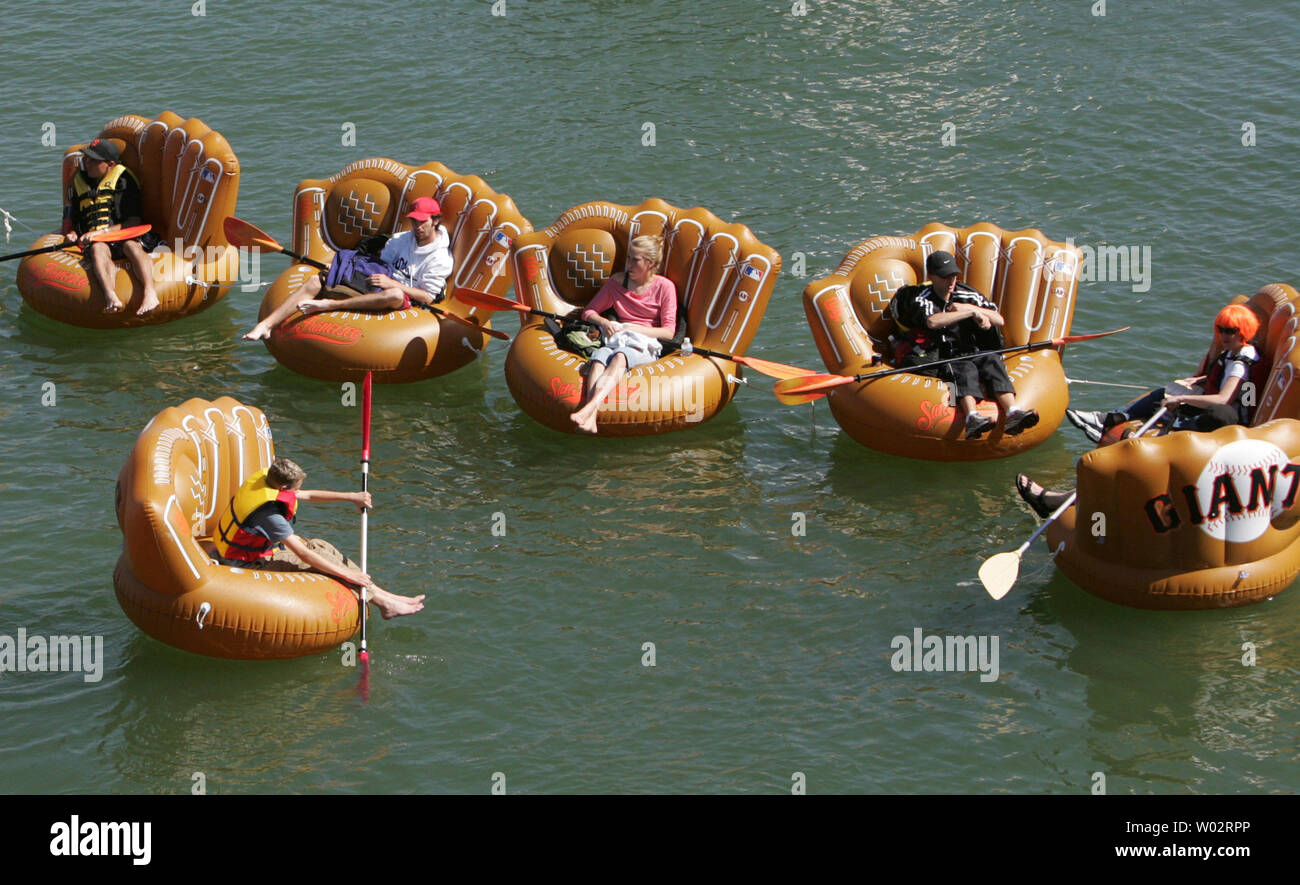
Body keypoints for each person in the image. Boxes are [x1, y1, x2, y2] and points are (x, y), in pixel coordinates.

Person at [211, 457, 425, 619]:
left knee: (322, 546)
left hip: (257, 552)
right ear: (284, 487)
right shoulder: (269, 515)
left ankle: (384, 595)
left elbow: (310, 495)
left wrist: (351, 497)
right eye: (296, 487)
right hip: (246, 565)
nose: (299, 491)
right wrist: (349, 575)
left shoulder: (267, 480)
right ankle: (383, 603)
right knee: (314, 557)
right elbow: (302, 553)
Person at [243, 196, 453, 341]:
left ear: (435, 220)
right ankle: (266, 325)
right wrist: (341, 268)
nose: (417, 227)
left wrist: (392, 283)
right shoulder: (401, 240)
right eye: (414, 221)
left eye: (422, 222)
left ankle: (327, 305)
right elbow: (379, 263)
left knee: (395, 294)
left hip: (400, 294)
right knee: (318, 280)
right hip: (376, 281)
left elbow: (428, 297)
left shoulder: (440, 258)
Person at [1065, 304, 1262, 443]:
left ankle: (1170, 436)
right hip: (1221, 405)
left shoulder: (1240, 362)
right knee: (1163, 393)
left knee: (1182, 400)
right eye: (1220, 330)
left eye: (1230, 331)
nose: (1224, 335)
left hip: (1228, 417)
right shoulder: (1233, 352)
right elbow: (1224, 379)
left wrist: (1181, 398)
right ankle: (1111, 419)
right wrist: (1200, 379)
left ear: (1243, 331)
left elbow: (1224, 399)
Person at [899, 250, 1039, 439]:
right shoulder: (923, 298)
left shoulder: (967, 294)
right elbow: (933, 321)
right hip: (943, 356)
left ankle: (1013, 412)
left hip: (972, 350)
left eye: (953, 276)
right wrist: (968, 314)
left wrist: (971, 309)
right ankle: (972, 417)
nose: (951, 281)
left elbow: (999, 319)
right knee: (963, 369)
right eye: (945, 277)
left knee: (992, 361)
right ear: (931, 276)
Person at [569, 235, 678, 434]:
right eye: (628, 258)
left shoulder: (664, 287)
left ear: (651, 263)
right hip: (617, 339)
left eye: (635, 260)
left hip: (644, 344)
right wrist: (604, 322)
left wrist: (634, 329)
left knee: (620, 357)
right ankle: (591, 418)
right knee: (599, 358)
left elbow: (669, 332)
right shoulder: (617, 283)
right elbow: (589, 311)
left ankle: (590, 410)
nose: (629, 264)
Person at [61, 137, 160, 315]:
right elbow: (76, 219)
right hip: (98, 242)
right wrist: (74, 233)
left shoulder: (124, 180)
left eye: (94, 161)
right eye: (87, 159)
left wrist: (103, 232)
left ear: (110, 164)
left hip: (124, 234)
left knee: (131, 246)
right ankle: (110, 295)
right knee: (98, 249)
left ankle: (150, 292)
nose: (88, 164)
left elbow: (134, 222)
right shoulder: (79, 182)